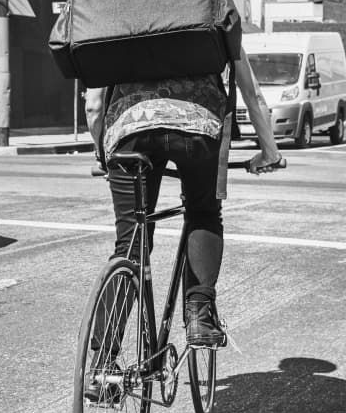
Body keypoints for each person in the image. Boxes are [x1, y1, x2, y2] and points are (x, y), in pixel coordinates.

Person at [84, 42, 282, 348]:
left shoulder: (117, 2)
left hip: (128, 131)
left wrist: (101, 154)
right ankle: (200, 317)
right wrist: (269, 151)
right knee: (202, 214)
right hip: (198, 126)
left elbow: (94, 104)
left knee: (132, 241)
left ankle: (101, 361)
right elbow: (251, 91)